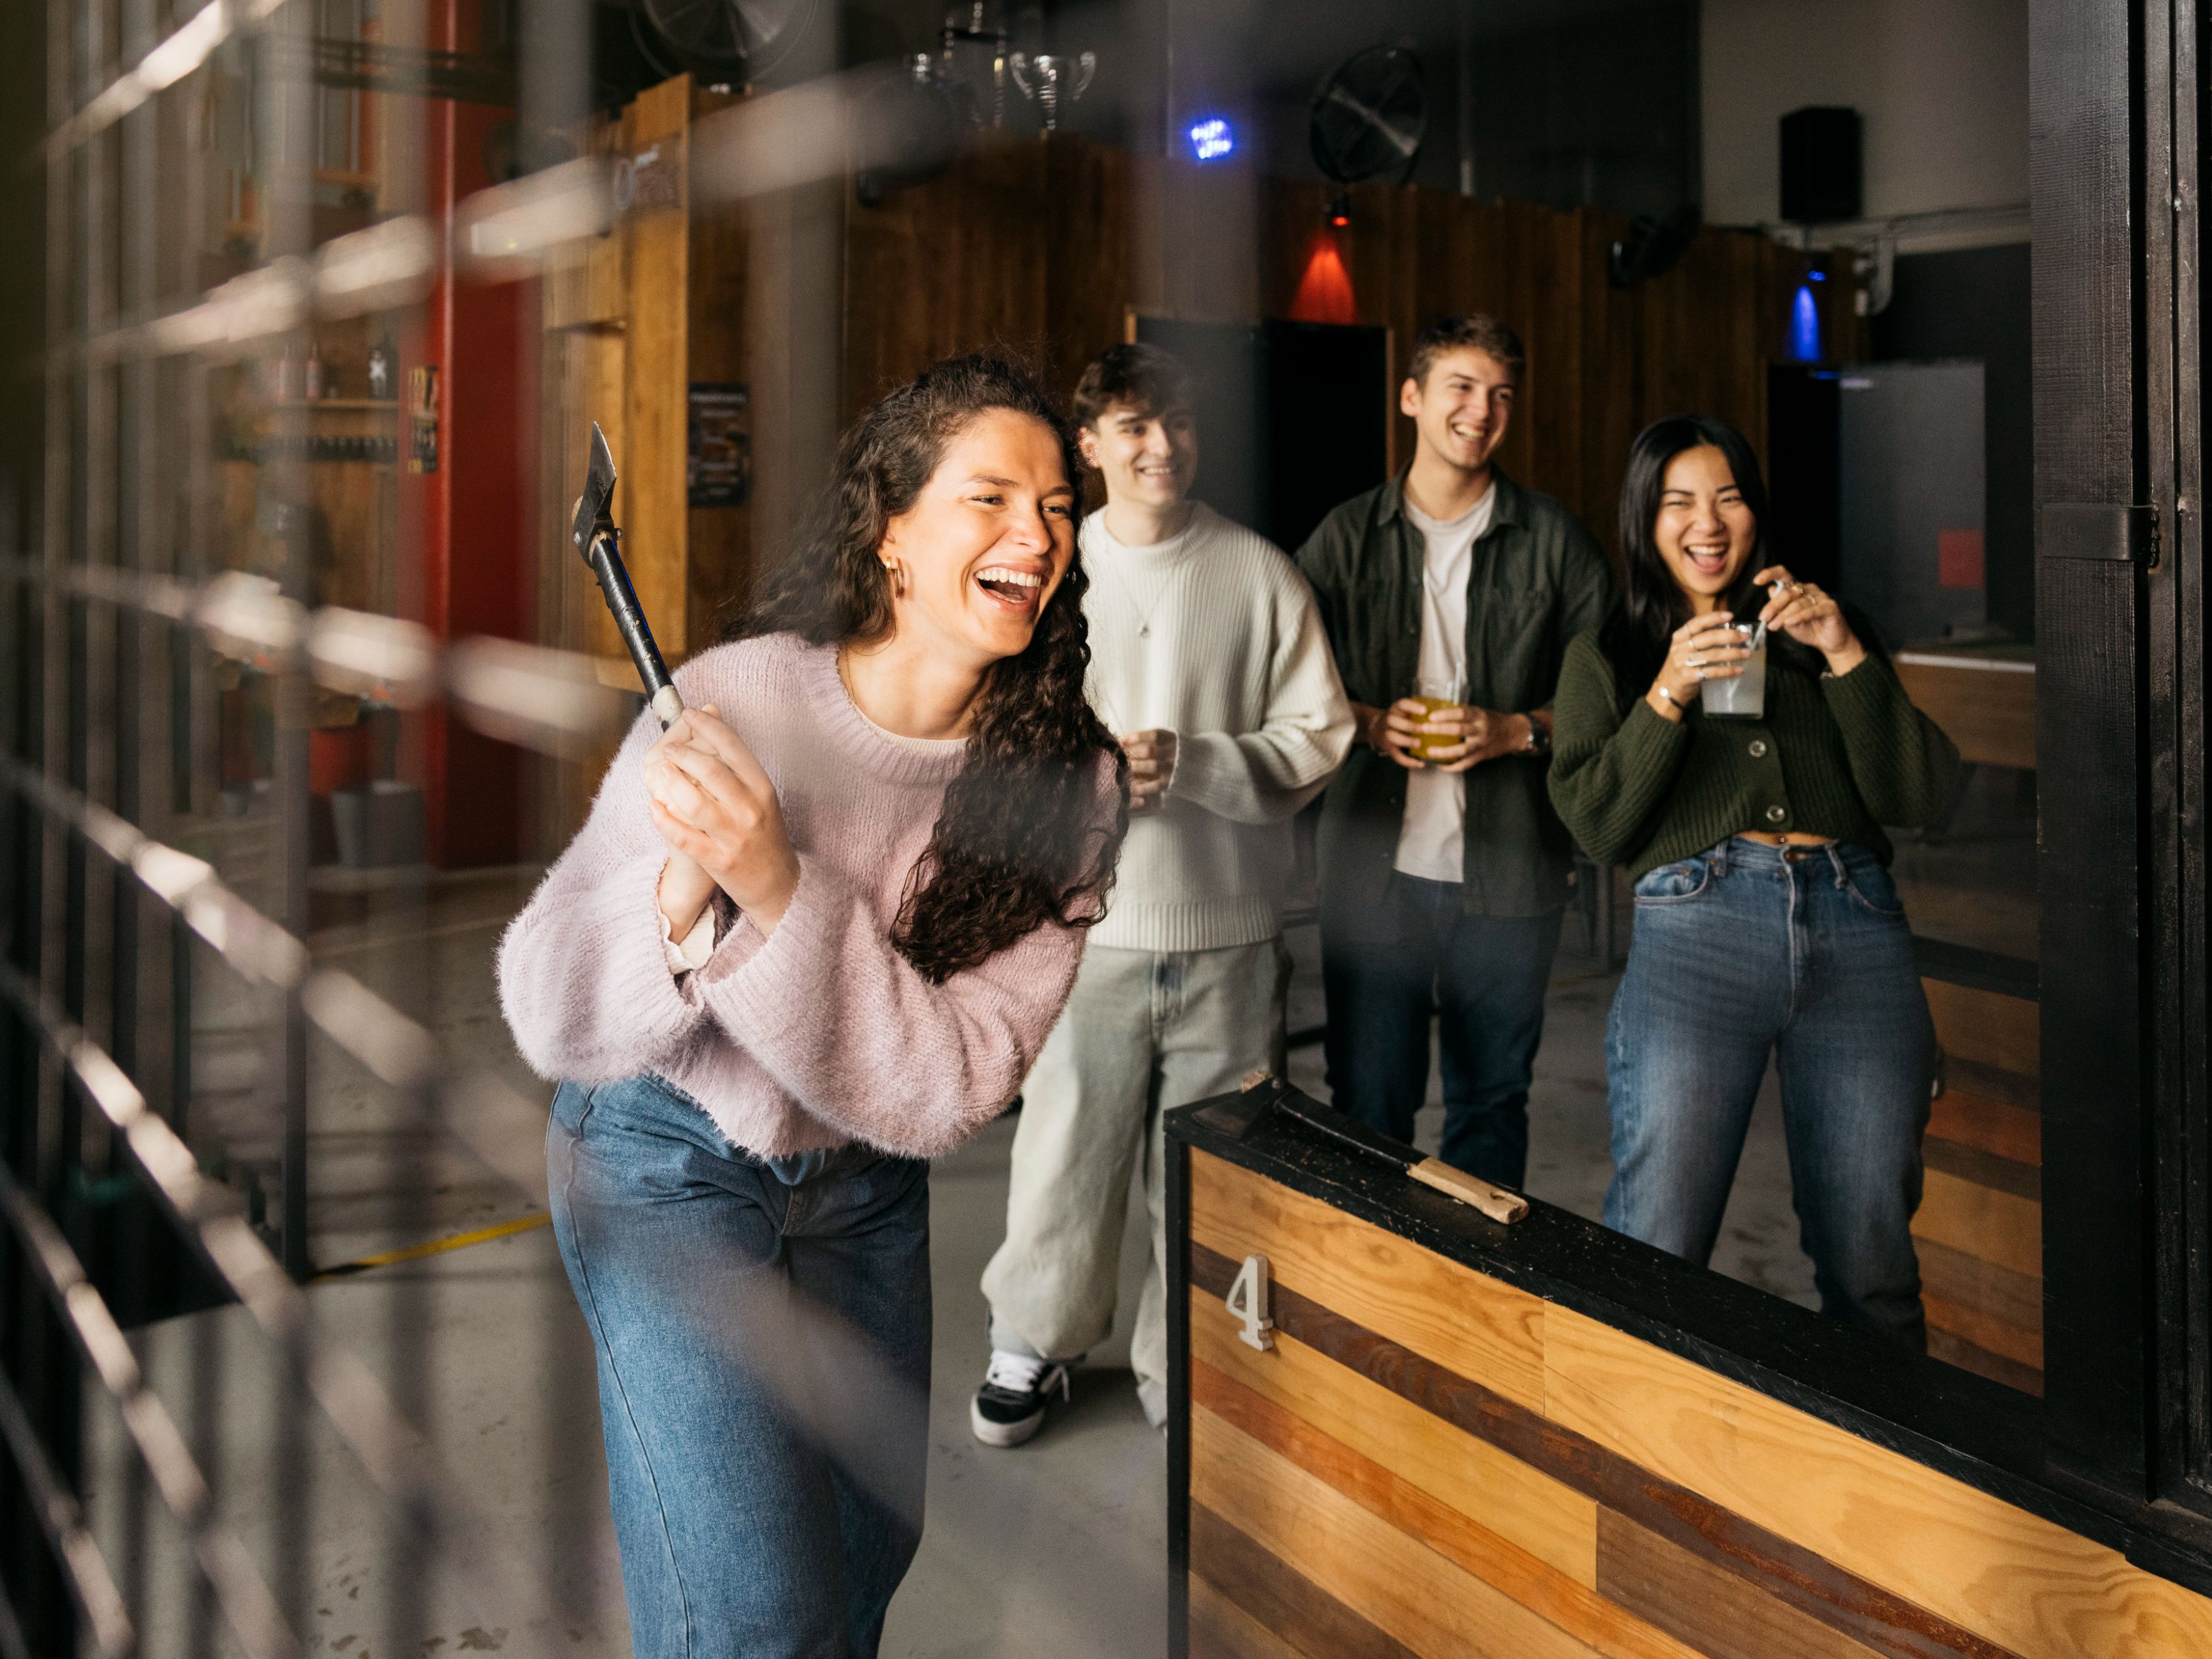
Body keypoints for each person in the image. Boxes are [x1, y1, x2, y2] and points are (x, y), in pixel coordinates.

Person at [497, 355, 1126, 1658]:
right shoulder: (741, 697)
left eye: (1058, 506)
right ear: (892, 530)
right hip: (661, 1159)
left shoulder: (1068, 786)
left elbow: (955, 1083)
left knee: (856, 1570)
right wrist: (683, 888)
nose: (1036, 533)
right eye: (990, 497)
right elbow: (549, 1004)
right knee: (759, 1619)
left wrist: (780, 888)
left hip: (866, 1185)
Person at [974, 343, 1354, 1444]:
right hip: (1081, 931)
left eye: (1179, 421)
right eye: (1134, 425)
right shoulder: (1045, 571)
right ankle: (1032, 1340)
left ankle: (1186, 1359)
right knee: (1064, 1151)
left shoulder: (1259, 572)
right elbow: (987, 735)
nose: (1162, 444)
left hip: (1229, 931)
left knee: (1213, 1165)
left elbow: (1320, 734)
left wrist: (1196, 763)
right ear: (1089, 444)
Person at [1547, 414, 1959, 1347]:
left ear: (1755, 510)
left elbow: (1921, 793)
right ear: (1644, 520)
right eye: (1678, 502)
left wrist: (1844, 651)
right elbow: (1595, 825)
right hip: (1698, 929)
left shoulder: (1819, 632)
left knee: (1873, 1266)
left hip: (1855, 920)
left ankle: (1868, 1443)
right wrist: (1667, 693)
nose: (1707, 523)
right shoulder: (1607, 654)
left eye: (1728, 497)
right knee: (1657, 1247)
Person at [1295, 313, 1612, 1189]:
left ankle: (1475, 1273)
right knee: (1368, 1101)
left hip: (1510, 872)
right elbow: (1282, 681)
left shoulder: (1555, 542)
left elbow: (1611, 698)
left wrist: (1518, 730)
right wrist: (1366, 722)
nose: (1482, 410)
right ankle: (1368, 1269)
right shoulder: (1344, 537)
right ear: (1411, 397)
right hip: (1371, 873)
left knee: (1491, 1101)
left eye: (1501, 394)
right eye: (1461, 388)